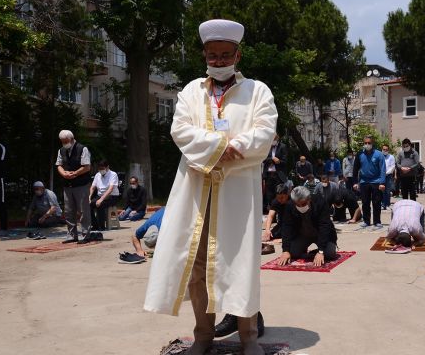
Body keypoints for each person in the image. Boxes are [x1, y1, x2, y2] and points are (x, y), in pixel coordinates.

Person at [143, 19, 277, 355]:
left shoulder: (257, 91)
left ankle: (248, 336)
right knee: (197, 266)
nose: (218, 60)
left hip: (237, 193)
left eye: (224, 54)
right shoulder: (191, 91)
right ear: (204, 54)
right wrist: (220, 147)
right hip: (196, 191)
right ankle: (203, 335)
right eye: (212, 55)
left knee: (241, 264)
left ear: (238, 54)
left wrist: (234, 149)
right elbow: (180, 131)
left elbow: (264, 132)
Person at [277, 186, 338, 266]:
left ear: (309, 199)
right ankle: (310, 253)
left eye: (304, 204)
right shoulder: (289, 205)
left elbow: (324, 226)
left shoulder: (320, 202)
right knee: (292, 253)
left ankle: (316, 252)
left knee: (330, 254)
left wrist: (320, 251)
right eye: (298, 205)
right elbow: (286, 227)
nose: (301, 207)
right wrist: (285, 250)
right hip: (303, 235)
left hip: (320, 234)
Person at [56, 129, 92, 243]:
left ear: (71, 139)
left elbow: (87, 166)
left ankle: (85, 234)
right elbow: (59, 165)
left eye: (65, 141)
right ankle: (71, 235)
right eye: (62, 141)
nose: (64, 143)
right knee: (68, 211)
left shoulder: (82, 149)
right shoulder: (61, 150)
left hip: (81, 184)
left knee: (83, 211)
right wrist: (63, 173)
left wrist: (75, 173)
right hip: (67, 185)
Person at [353, 136, 386, 229]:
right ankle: (366, 221)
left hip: (376, 181)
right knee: (365, 202)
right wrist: (355, 182)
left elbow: (383, 169)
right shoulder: (360, 154)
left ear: (372, 143)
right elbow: (355, 169)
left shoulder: (379, 155)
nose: (367, 145)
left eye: (369, 143)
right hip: (364, 182)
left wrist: (382, 183)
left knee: (376, 203)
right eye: (365, 143)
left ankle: (377, 221)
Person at [89, 160, 120, 231]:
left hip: (112, 196)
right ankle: (95, 225)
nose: (101, 170)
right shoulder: (97, 175)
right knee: (88, 205)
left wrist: (101, 199)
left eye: (102, 168)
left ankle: (101, 226)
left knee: (100, 204)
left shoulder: (113, 174)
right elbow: (93, 187)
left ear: (107, 167)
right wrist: (89, 196)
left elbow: (110, 189)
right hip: (100, 195)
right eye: (100, 169)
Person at [262, 134, 287, 212]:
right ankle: (272, 213)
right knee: (269, 195)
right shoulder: (267, 147)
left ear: (277, 139)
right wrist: (272, 159)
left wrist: (278, 161)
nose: (273, 141)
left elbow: (285, 161)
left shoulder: (283, 147)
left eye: (274, 140)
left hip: (278, 175)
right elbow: (263, 159)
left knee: (279, 194)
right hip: (269, 175)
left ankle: (279, 213)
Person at [381, 144, 396, 209]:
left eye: (386, 149)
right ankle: (382, 204)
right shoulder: (380, 156)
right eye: (384, 149)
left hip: (388, 176)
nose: (385, 151)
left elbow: (392, 167)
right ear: (382, 150)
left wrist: (386, 173)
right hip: (381, 176)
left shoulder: (391, 157)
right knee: (381, 190)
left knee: (387, 191)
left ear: (388, 150)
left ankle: (387, 204)